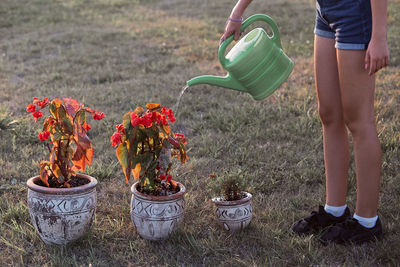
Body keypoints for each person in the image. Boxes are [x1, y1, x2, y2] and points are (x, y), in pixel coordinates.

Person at [220, 0, 389, 245]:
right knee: (329, 113)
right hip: (326, 12)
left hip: (355, 13)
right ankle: (335, 209)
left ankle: (367, 222)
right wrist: (237, 11)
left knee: (358, 119)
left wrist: (379, 35)